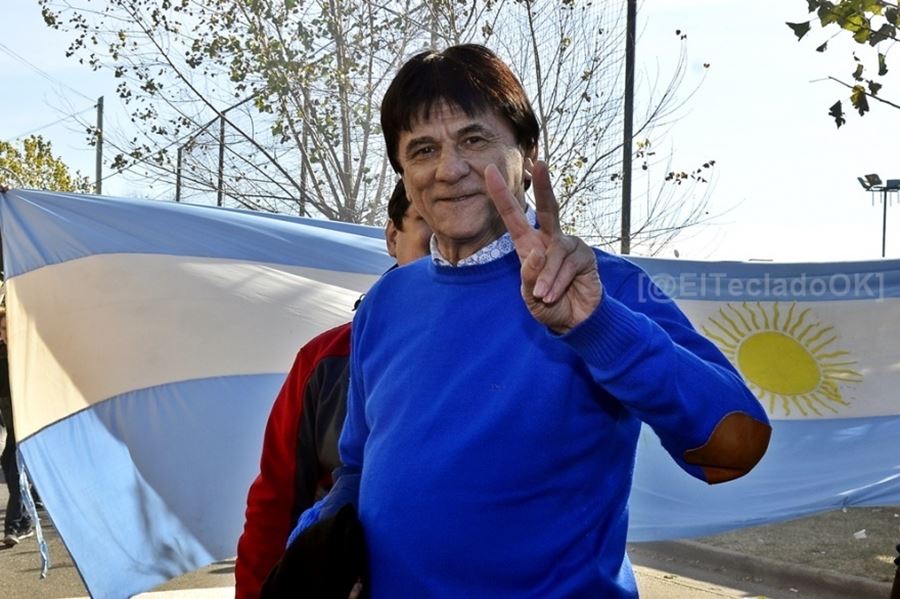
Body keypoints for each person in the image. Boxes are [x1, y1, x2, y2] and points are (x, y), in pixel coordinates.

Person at [287, 44, 772, 598]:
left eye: (474, 140)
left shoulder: (601, 286)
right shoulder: (385, 302)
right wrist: (316, 541)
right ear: (405, 173)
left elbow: (736, 447)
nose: (449, 169)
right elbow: (356, 466)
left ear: (527, 151)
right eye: (423, 150)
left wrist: (597, 327)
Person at [234, 180, 431, 599]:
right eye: (428, 225)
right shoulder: (326, 360)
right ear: (392, 236)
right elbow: (275, 501)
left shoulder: (535, 345)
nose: (448, 247)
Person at [0, 307, 34, 547]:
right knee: (14, 475)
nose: (3, 333)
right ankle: (26, 522)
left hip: (26, 424)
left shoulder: (26, 355)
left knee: (16, 475)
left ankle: (12, 527)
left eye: (6, 328)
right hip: (7, 426)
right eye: (1, 329)